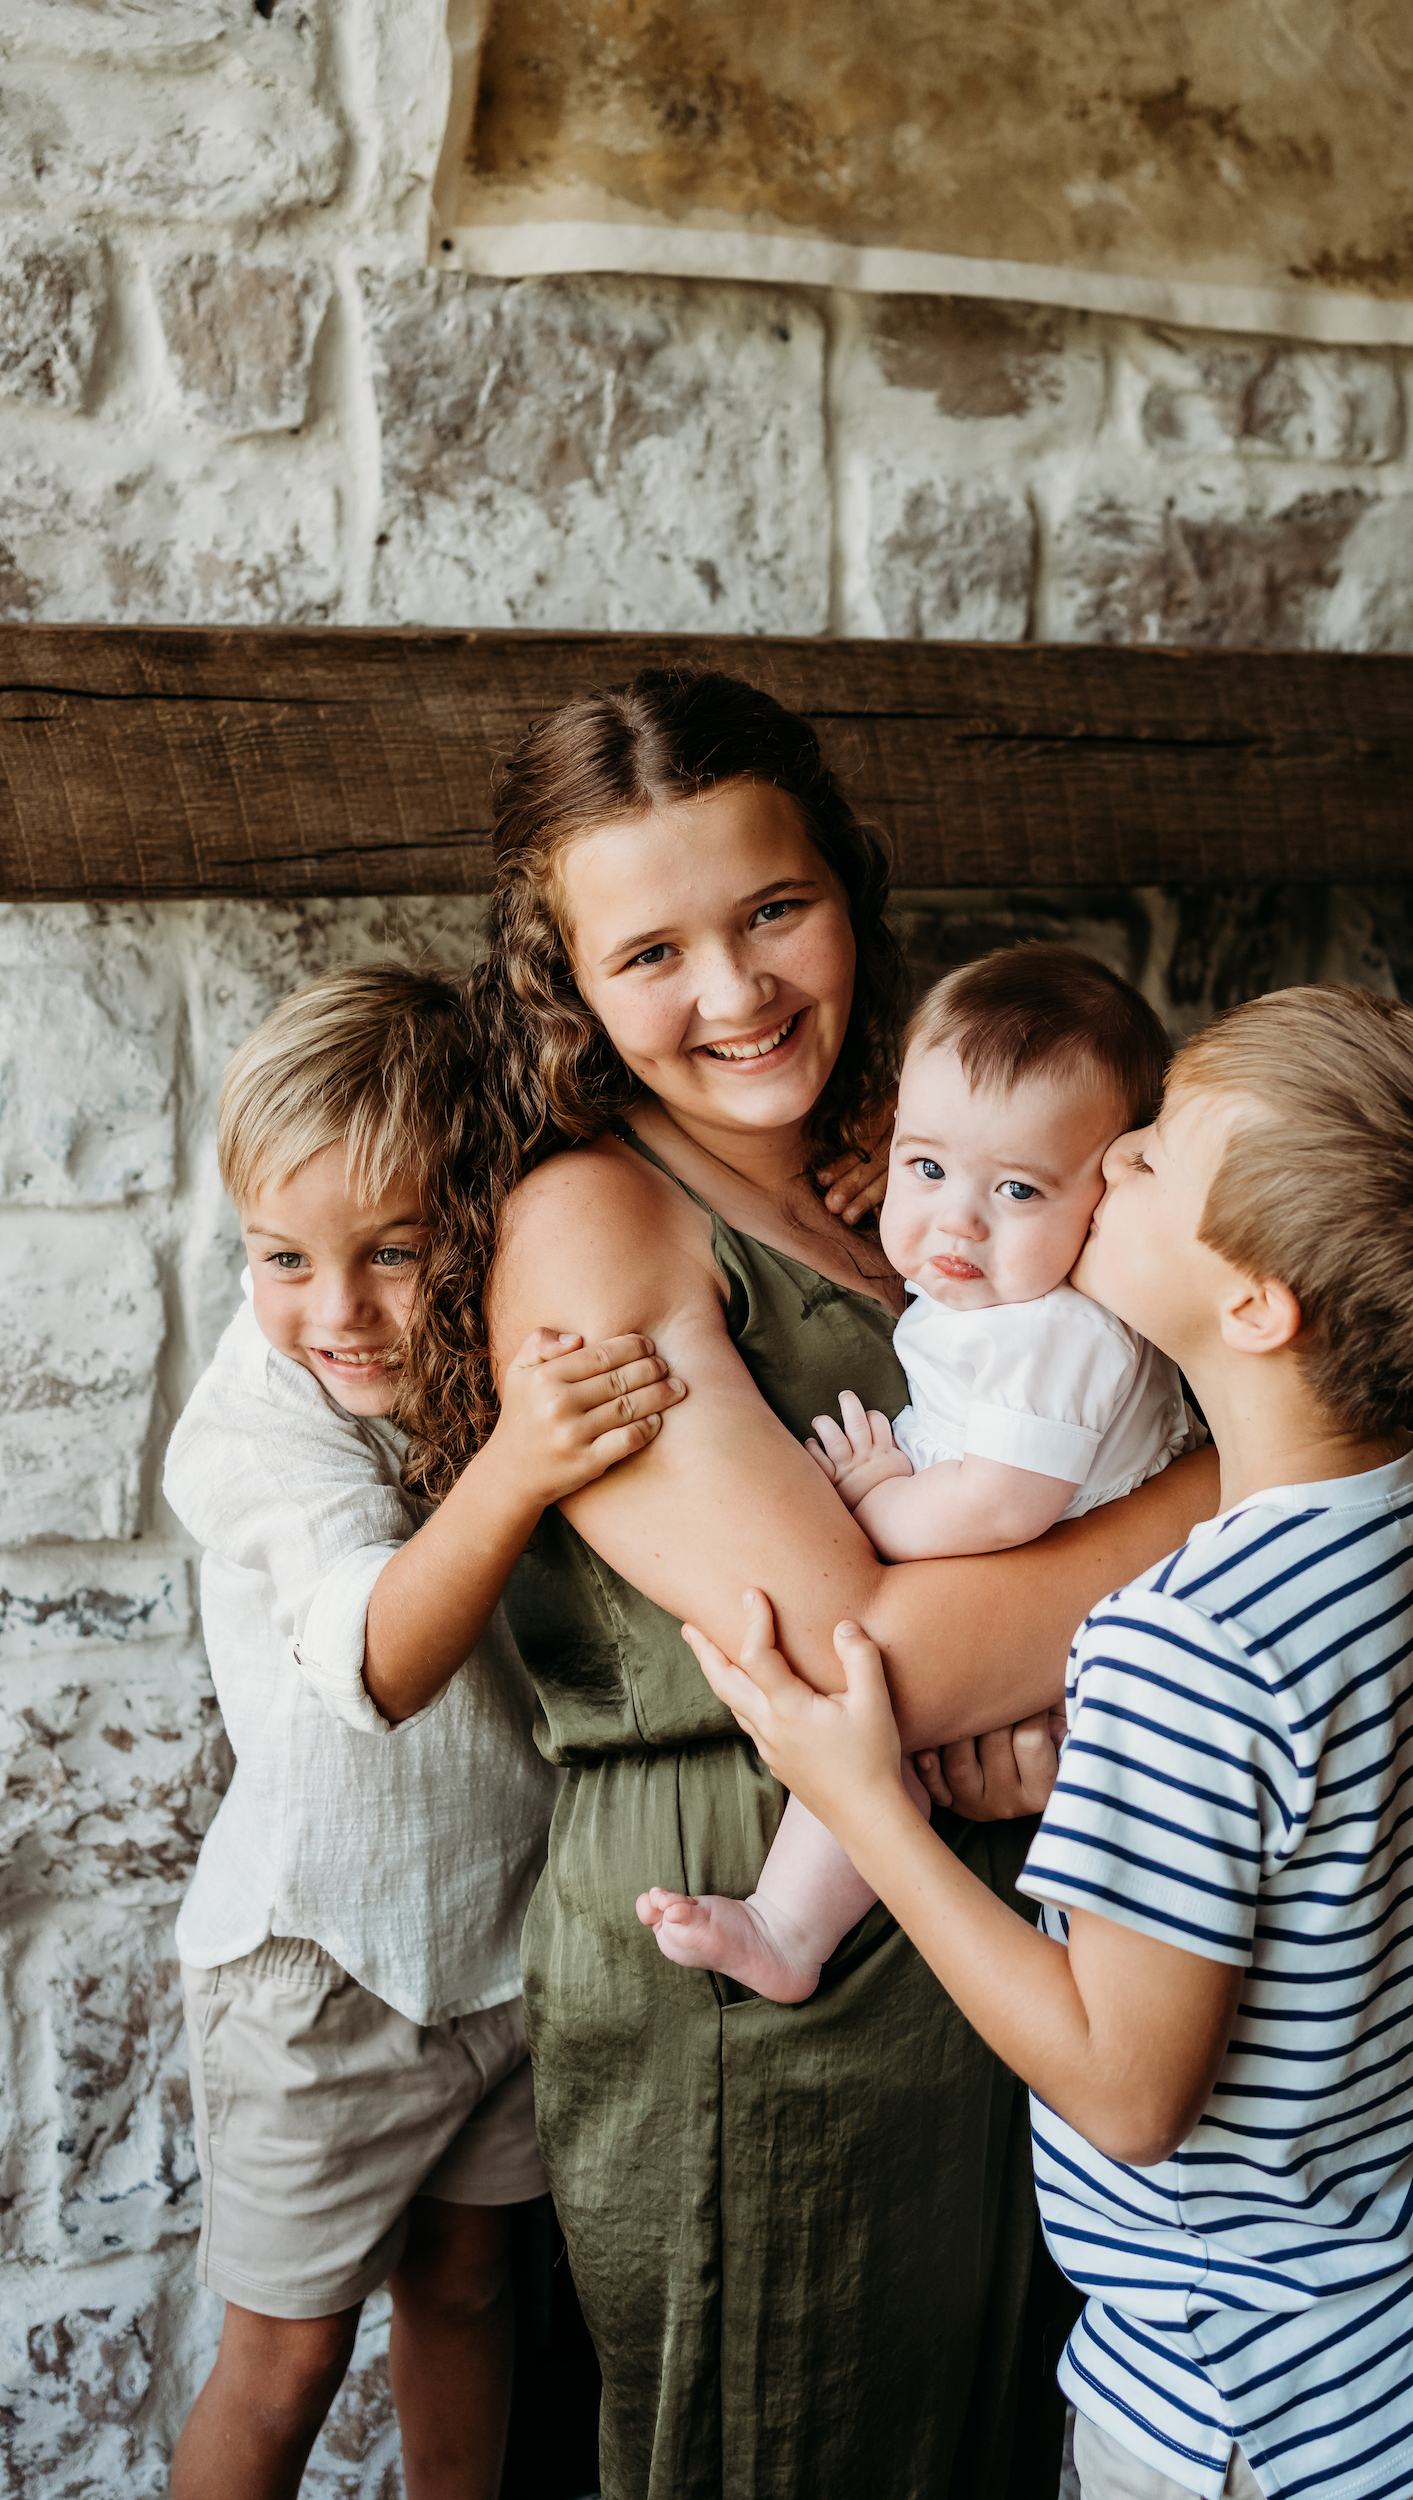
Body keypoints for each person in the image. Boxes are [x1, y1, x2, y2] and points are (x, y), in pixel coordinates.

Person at [399, 670, 1222, 2500]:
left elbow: (1016, 1529)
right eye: (651, 953)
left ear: (844, 887)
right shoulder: (595, 1220)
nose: (736, 992)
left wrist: (1065, 1678)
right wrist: (1227, 1488)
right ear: (566, 983)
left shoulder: (903, 1191)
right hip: (760, 1969)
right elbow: (858, 1660)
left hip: (982, 1935)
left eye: (773, 909)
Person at [684, 984, 1413, 2500]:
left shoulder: (1178, 1640)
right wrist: (1097, 1797)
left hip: (1227, 2389)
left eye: (1146, 1160)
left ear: (1253, 1301)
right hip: (1408, 2305)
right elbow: (1333, 1837)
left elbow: (1127, 2095)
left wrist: (867, 1811)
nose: (1104, 1160)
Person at [165, 965, 685, 2500]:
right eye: (284, 1259)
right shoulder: (265, 1416)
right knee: (284, 2365)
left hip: (506, 1949)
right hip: (319, 1969)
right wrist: (516, 1467)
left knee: (468, 2296)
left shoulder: (491, 1346)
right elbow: (376, 1657)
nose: (338, 1311)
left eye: (394, 1252)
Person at [638, 944, 1194, 2005]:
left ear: (1105, 1194)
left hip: (1070, 1643)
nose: (955, 1221)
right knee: (871, 1750)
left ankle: (790, 1930)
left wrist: (879, 1503)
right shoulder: (990, 1288)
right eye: (925, 1167)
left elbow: (998, 1502)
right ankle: (786, 1928)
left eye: (1017, 1188)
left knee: (874, 1720)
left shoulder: (1060, 1333)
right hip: (1021, 1610)